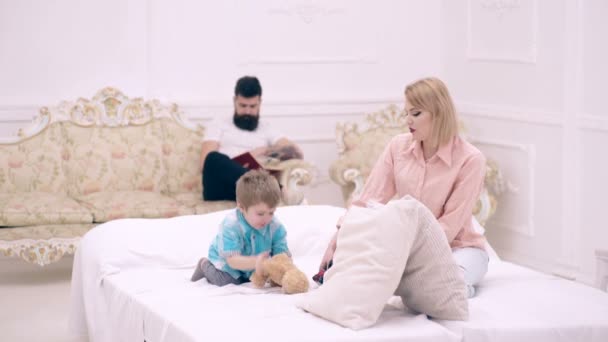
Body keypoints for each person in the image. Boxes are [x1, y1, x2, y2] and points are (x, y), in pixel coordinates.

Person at [318, 77, 488, 297]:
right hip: (407, 247)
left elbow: (448, 226)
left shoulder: (471, 160)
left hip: (460, 249)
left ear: (439, 113)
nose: (408, 120)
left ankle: (453, 288)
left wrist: (402, 255)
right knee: (354, 278)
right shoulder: (398, 147)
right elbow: (368, 201)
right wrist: (339, 239)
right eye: (406, 113)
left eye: (415, 113)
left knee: (440, 287)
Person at [199, 76, 302, 201]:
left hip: (252, 191)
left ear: (260, 103)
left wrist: (265, 151)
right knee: (213, 157)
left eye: (252, 106)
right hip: (221, 186)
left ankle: (267, 188)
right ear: (234, 101)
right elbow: (204, 164)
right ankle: (275, 189)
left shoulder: (267, 128)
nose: (247, 111)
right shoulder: (218, 124)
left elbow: (296, 151)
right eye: (243, 105)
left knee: (253, 179)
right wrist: (252, 154)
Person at [191, 169, 291, 286]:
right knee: (227, 282)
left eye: (271, 212)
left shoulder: (275, 227)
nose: (267, 219)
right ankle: (204, 265)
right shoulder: (231, 225)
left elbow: (282, 255)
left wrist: (286, 268)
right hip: (231, 265)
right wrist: (256, 262)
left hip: (257, 266)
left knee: (271, 279)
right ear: (241, 207)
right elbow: (232, 261)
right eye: (260, 214)